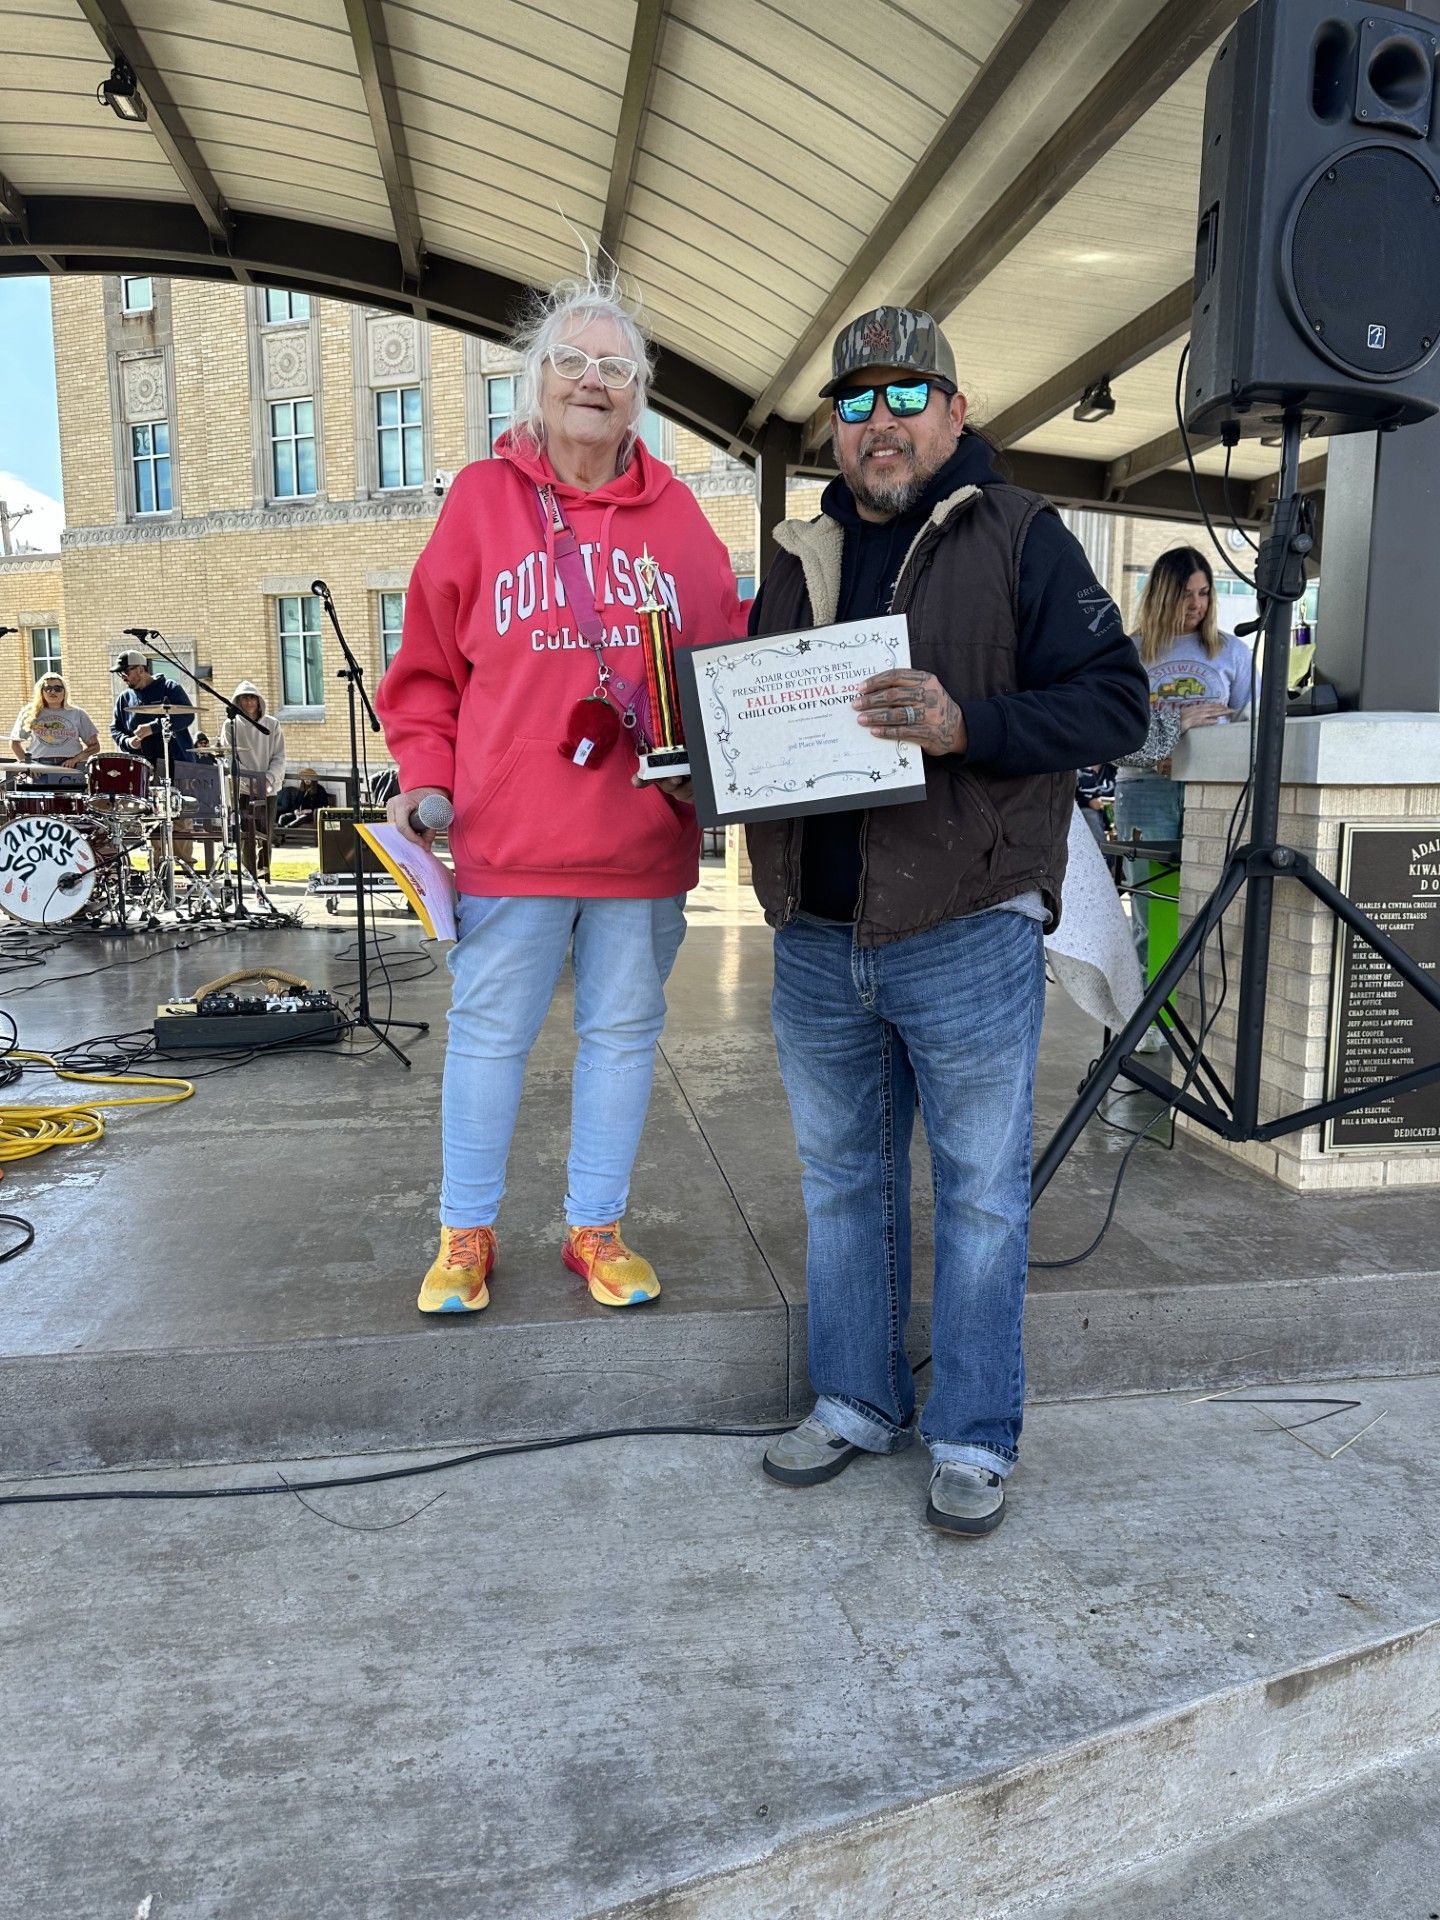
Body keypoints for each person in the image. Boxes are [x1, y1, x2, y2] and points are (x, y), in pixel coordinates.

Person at [748, 305, 1149, 1537]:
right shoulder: (799, 546)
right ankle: (858, 1401)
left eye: (905, 395)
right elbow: (767, 721)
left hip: (965, 929)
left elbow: (1116, 705)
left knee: (980, 1193)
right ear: (836, 425)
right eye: (856, 401)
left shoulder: (1022, 535)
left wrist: (967, 723)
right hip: (818, 938)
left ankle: (973, 1432)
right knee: (840, 1185)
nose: (880, 422)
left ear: (955, 412)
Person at [377, 267, 746, 1317]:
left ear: (641, 392)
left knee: (625, 1037)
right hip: (511, 840)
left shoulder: (681, 521)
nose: (595, 381)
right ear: (535, 384)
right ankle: (465, 1234)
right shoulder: (481, 502)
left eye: (616, 366)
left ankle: (596, 1229)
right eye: (573, 363)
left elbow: (723, 667)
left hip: (641, 845)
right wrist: (427, 781)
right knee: (491, 1036)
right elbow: (427, 672)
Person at [1113, 547, 1254, 1016]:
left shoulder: (1231, 652)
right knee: (1154, 911)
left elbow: (1249, 733)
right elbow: (1112, 739)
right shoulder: (1129, 653)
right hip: (1145, 791)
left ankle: (1196, 1016)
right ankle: (1147, 1019)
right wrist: (1176, 730)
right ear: (1161, 595)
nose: (1197, 605)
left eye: (1204, 593)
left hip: (1211, 796)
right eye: (1185, 594)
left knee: (1209, 906)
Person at [218, 680, 285, 881]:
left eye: (252, 697)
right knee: (246, 832)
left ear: (258, 700)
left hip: (268, 787)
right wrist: (250, 781)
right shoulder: (230, 725)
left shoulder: (272, 724)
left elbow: (279, 756)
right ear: (237, 702)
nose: (249, 702)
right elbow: (230, 758)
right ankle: (248, 872)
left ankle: (264, 870)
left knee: (266, 831)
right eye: (244, 698)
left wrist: (268, 779)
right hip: (243, 787)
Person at [110, 647, 195, 771]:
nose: (123, 677)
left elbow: (187, 715)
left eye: (125, 672)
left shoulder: (169, 687)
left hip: (177, 763)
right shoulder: (124, 698)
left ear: (140, 669)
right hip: (142, 767)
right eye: (120, 674)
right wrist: (127, 742)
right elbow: (115, 729)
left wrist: (153, 727)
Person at [9, 672, 99, 770]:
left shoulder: (77, 713)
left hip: (71, 766)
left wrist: (76, 760)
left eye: (58, 689)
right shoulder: (29, 712)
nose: (53, 692)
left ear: (65, 692)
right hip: (39, 767)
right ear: (41, 692)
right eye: (48, 688)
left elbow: (94, 746)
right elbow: (14, 743)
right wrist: (28, 766)